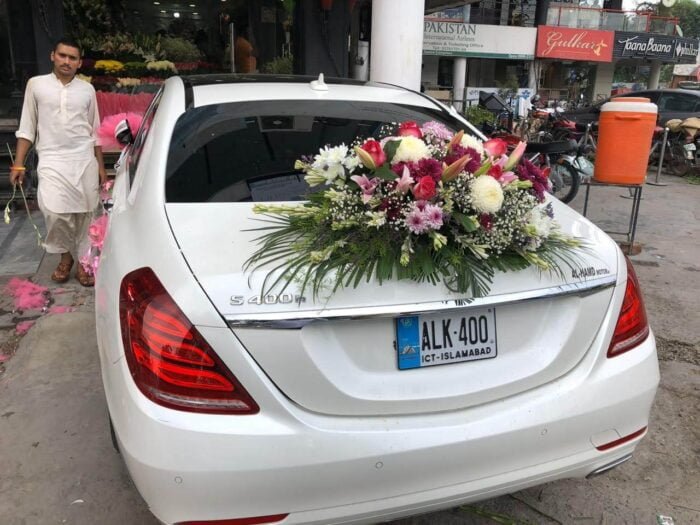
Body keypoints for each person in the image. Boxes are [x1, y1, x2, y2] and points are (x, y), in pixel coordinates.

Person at [9, 37, 107, 287]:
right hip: (51, 159)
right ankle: (65, 257)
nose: (66, 61)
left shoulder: (87, 90)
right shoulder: (36, 85)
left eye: (72, 58)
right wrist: (18, 164)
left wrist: (102, 169)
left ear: (79, 63)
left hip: (84, 160)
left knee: (86, 215)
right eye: (62, 55)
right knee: (53, 212)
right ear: (53, 55)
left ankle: (84, 263)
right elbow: (27, 127)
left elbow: (95, 131)